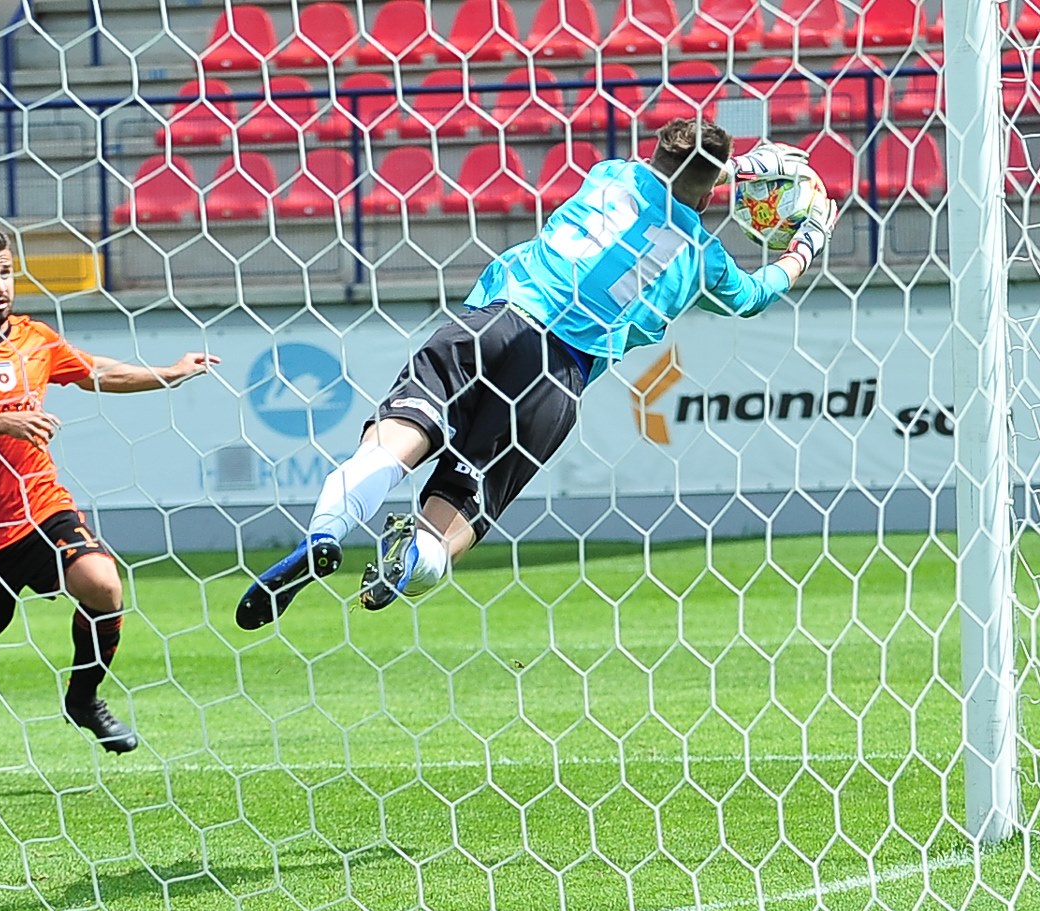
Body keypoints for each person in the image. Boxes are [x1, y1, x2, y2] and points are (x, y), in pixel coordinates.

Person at [236, 118, 839, 629]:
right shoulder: (703, 258)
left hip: (496, 325)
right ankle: (412, 562)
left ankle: (325, 533)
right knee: (453, 516)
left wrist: (744, 165)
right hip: (555, 383)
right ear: (708, 197)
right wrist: (804, 245)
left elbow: (677, 173)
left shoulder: (612, 176)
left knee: (391, 442)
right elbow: (753, 295)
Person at [0, 225, 218, 788]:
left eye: (4, 272)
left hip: (39, 509)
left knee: (102, 585)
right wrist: (2, 423)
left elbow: (97, 371)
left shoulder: (35, 338)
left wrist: (170, 373)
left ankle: (83, 698)